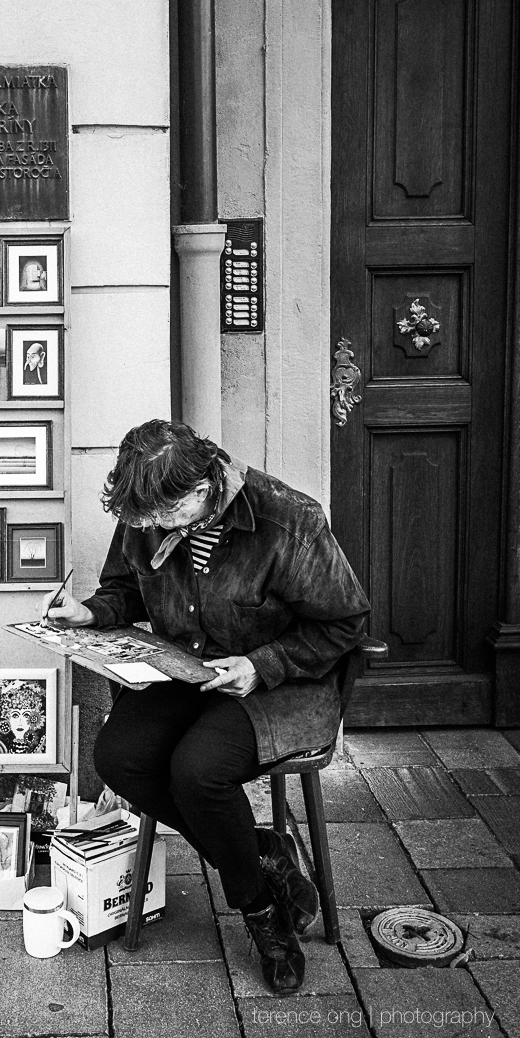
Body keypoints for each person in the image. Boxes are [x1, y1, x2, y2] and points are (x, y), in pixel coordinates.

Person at [42, 419, 370, 996]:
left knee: (197, 772)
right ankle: (260, 854)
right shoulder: (147, 508)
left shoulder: (287, 519)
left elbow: (346, 621)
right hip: (186, 666)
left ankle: (262, 917)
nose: (146, 528)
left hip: (276, 680)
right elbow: (125, 589)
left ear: (199, 492)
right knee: (118, 757)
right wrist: (89, 613)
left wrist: (262, 664)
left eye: (159, 520)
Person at [0, 677, 47, 755]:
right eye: (15, 715)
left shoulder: (44, 746)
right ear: (7, 717)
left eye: (26, 715)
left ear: (34, 719)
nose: (20, 722)